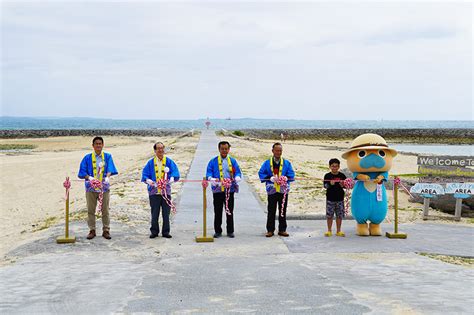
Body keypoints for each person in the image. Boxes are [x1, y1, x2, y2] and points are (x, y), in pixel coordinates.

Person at [78, 136, 118, 240]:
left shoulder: (108, 157)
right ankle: (92, 230)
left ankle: (106, 230)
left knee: (105, 209)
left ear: (103, 145)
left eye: (100, 143)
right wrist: (89, 178)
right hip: (90, 188)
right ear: (93, 145)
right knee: (90, 209)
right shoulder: (87, 158)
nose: (98, 145)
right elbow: (82, 172)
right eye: (96, 144)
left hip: (103, 188)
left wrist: (108, 177)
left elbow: (110, 168)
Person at [141, 142, 180, 239]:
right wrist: (148, 180)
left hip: (166, 192)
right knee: (154, 213)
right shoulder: (150, 163)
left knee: (166, 213)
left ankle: (166, 231)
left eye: (162, 148)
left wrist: (171, 179)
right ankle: (154, 231)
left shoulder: (169, 162)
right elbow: (145, 174)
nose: (160, 150)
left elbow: (175, 172)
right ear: (155, 150)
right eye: (158, 148)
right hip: (154, 192)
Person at [206, 141, 242, 238]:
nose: (224, 150)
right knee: (217, 211)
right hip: (217, 190)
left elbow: (238, 172)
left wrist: (238, 177)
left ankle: (230, 231)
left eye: (226, 149)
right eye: (222, 149)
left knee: (229, 211)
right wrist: (211, 178)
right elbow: (208, 172)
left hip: (229, 190)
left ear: (229, 149)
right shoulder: (213, 161)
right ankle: (218, 231)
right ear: (219, 149)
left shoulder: (233, 161)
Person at [258, 143, 295, 237]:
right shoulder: (267, 163)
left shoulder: (286, 163)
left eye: (280, 151)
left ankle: (282, 229)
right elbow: (261, 173)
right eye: (277, 150)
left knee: (282, 210)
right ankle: (270, 230)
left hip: (283, 190)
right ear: (272, 151)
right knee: (271, 210)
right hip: (272, 190)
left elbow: (291, 174)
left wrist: (286, 178)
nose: (278, 152)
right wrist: (269, 178)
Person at [323, 158, 347, 237]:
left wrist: (343, 185)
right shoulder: (327, 175)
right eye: (333, 166)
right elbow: (325, 186)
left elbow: (347, 186)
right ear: (330, 166)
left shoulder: (342, 175)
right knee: (329, 215)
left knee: (339, 215)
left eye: (336, 166)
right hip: (330, 199)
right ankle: (329, 230)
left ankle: (338, 231)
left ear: (339, 167)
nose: (334, 168)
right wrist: (330, 184)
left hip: (340, 199)